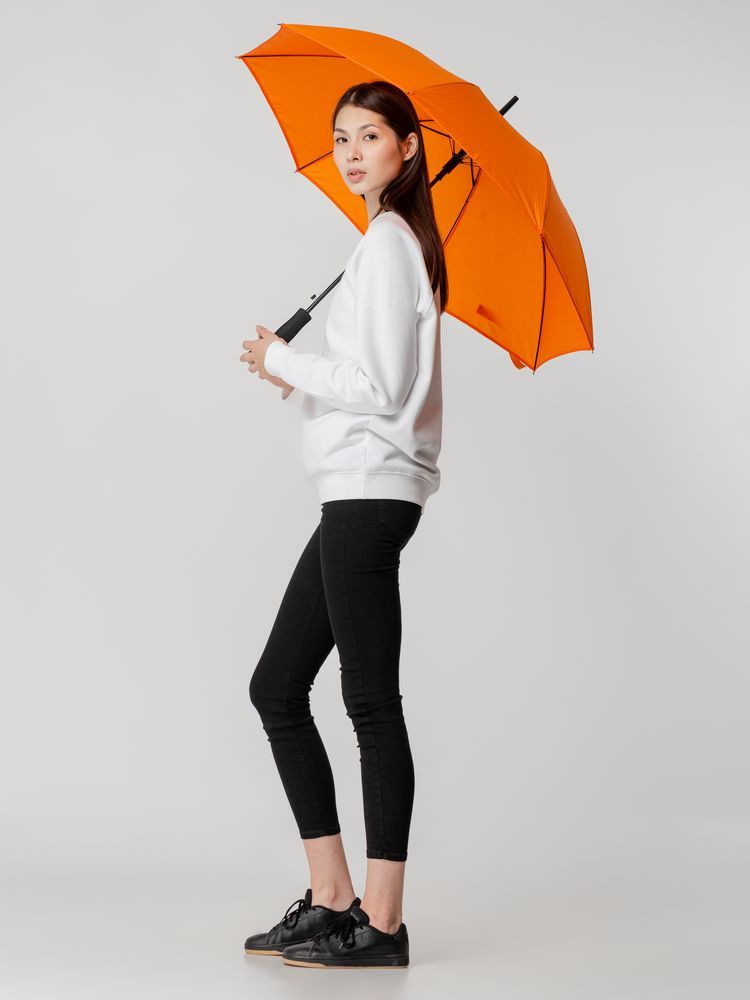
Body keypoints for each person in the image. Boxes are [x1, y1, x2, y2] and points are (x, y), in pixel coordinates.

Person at [238, 80, 447, 970]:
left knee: (368, 702)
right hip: (352, 493)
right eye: (341, 138)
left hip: (370, 492)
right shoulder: (381, 244)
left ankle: (384, 923)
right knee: (278, 688)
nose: (352, 152)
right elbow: (367, 378)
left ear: (408, 146)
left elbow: (384, 390)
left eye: (370, 135)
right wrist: (297, 370)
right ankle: (331, 899)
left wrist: (288, 358)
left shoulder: (392, 244)